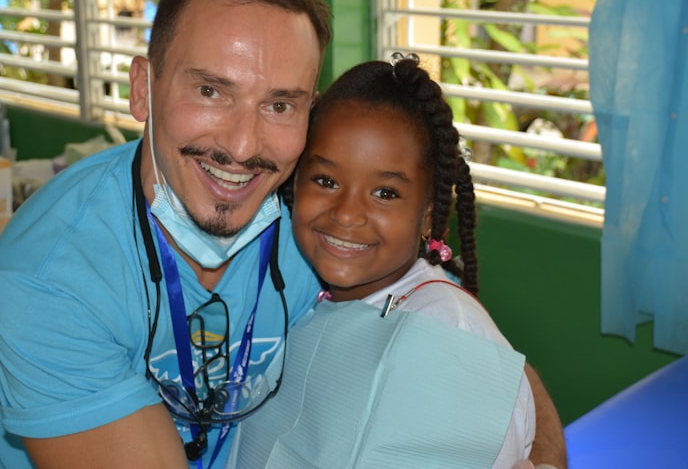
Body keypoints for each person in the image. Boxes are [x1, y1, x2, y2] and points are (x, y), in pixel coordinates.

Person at [0, 0, 567, 469]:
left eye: (280, 105)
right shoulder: (52, 277)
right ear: (143, 89)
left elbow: (462, 333)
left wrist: (539, 458)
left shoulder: (319, 217)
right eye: (211, 91)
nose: (242, 147)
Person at [228, 54, 548, 469]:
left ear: (428, 214)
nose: (346, 214)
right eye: (326, 181)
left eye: (385, 193)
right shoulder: (303, 289)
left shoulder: (446, 332)